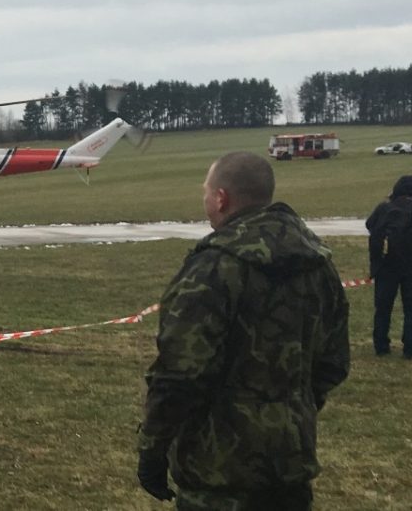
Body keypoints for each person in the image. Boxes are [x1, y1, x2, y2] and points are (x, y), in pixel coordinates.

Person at [137, 152, 351, 510]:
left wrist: (152, 448)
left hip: (219, 472)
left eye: (206, 191)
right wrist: (289, 411)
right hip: (290, 463)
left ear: (221, 198)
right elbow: (333, 362)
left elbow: (180, 373)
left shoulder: (213, 268)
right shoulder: (317, 264)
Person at [366, 175, 412, 359]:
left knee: (383, 307)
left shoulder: (384, 209)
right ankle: (411, 348)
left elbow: (370, 225)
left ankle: (381, 346)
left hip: (386, 264)